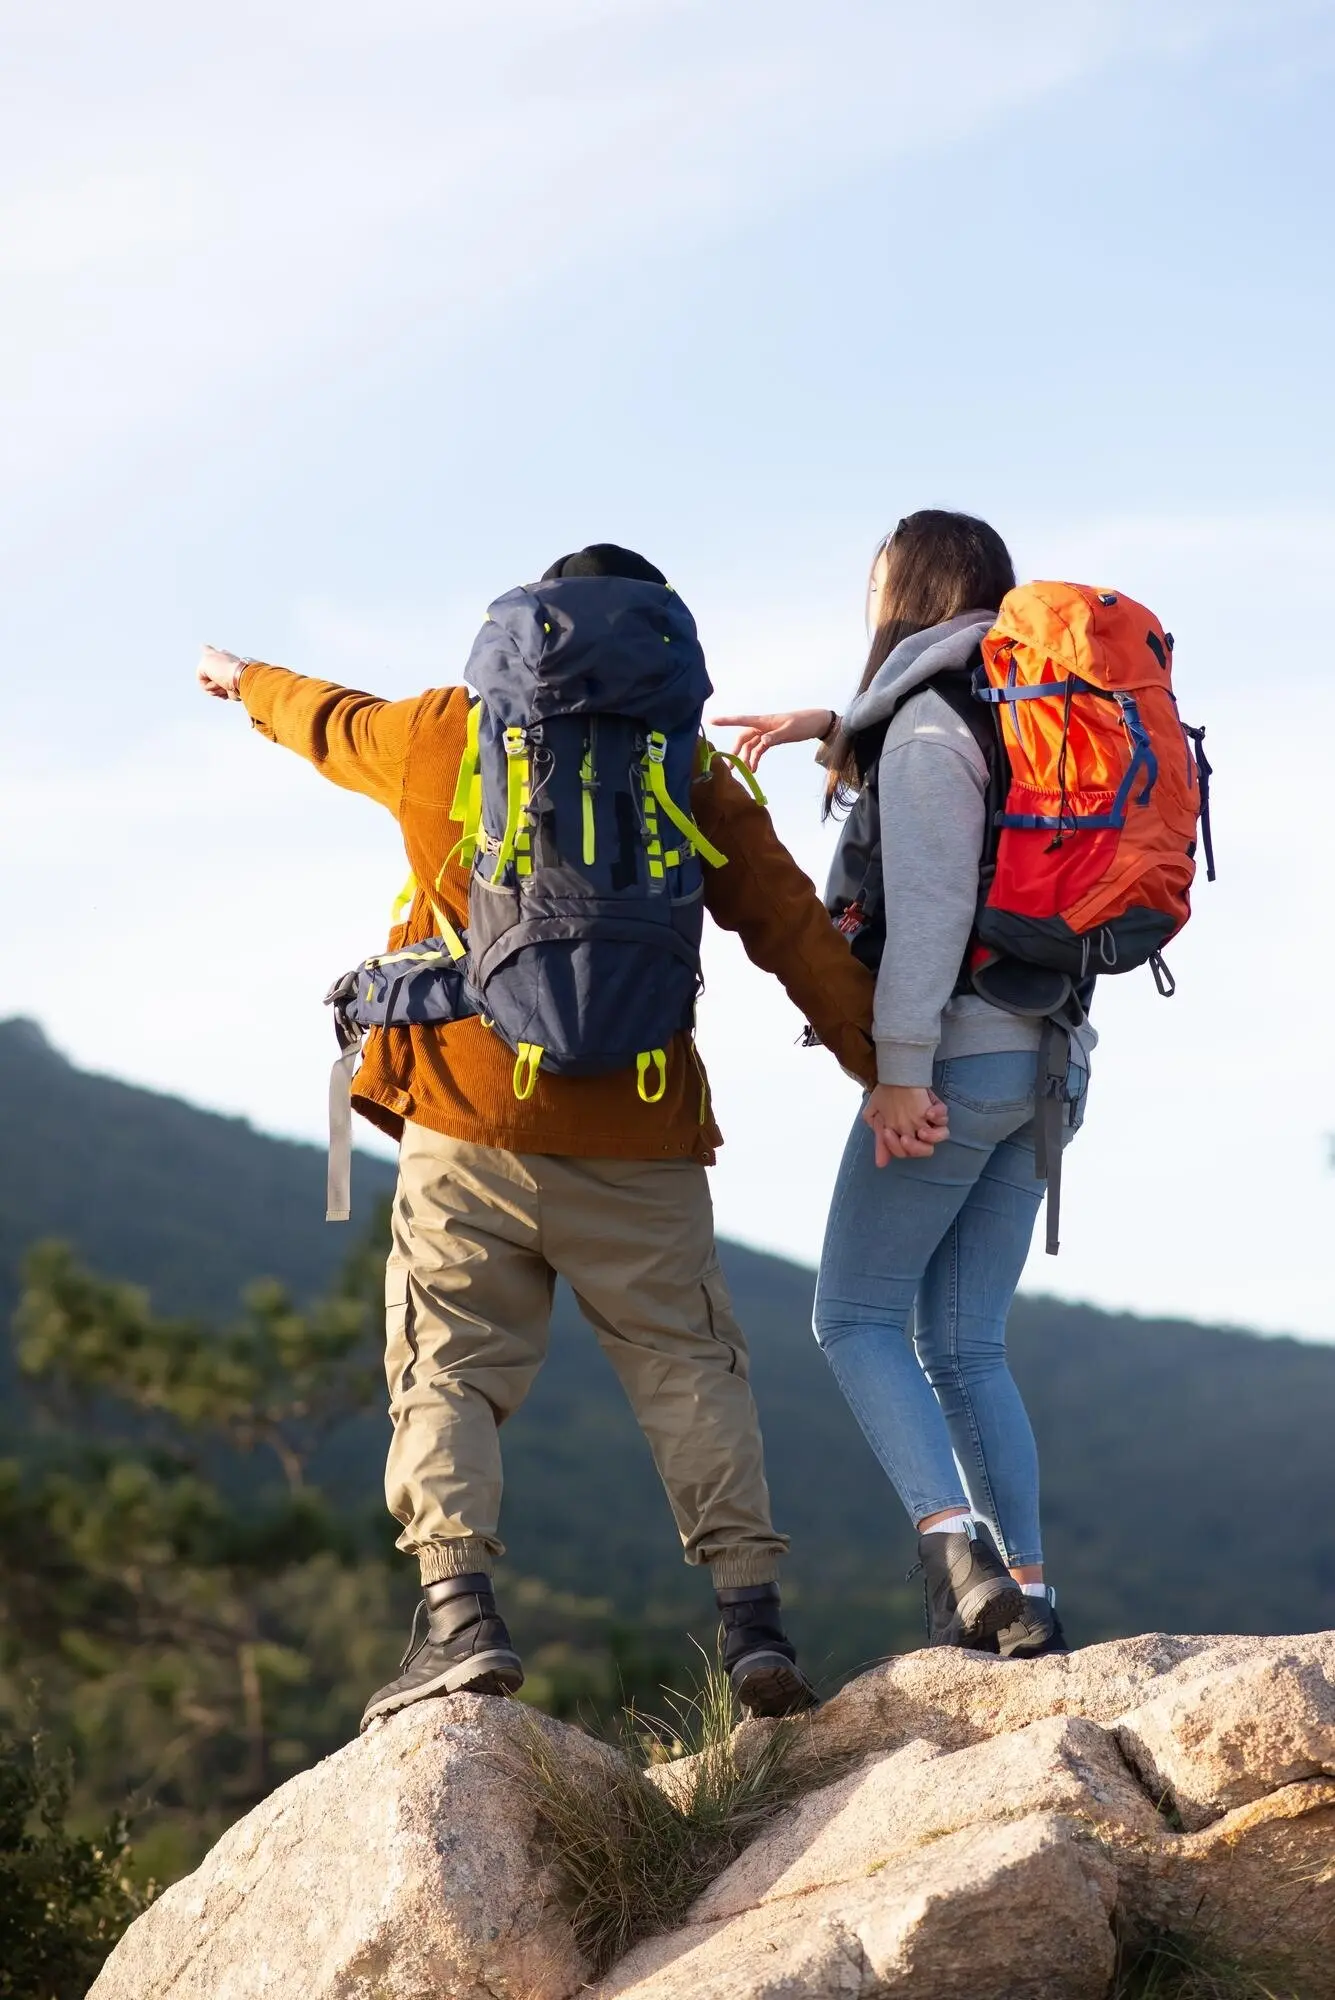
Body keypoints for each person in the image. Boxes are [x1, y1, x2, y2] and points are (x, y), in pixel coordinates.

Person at [196, 542, 877, 1727]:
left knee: (447, 1362)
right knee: (687, 1364)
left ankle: (461, 1618)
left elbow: (329, 718)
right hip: (645, 1126)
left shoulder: (448, 736)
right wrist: (887, 1071)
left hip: (469, 1119)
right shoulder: (686, 770)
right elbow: (791, 926)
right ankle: (752, 1624)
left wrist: (244, 677)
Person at [717, 510, 1095, 1660]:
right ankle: (1028, 1594)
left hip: (962, 1058)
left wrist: (898, 1074)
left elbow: (929, 911)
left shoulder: (931, 727)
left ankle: (955, 1552)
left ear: (909, 592)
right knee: (969, 1340)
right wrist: (832, 724)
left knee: (856, 1315)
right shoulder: (1037, 707)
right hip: (1053, 1066)